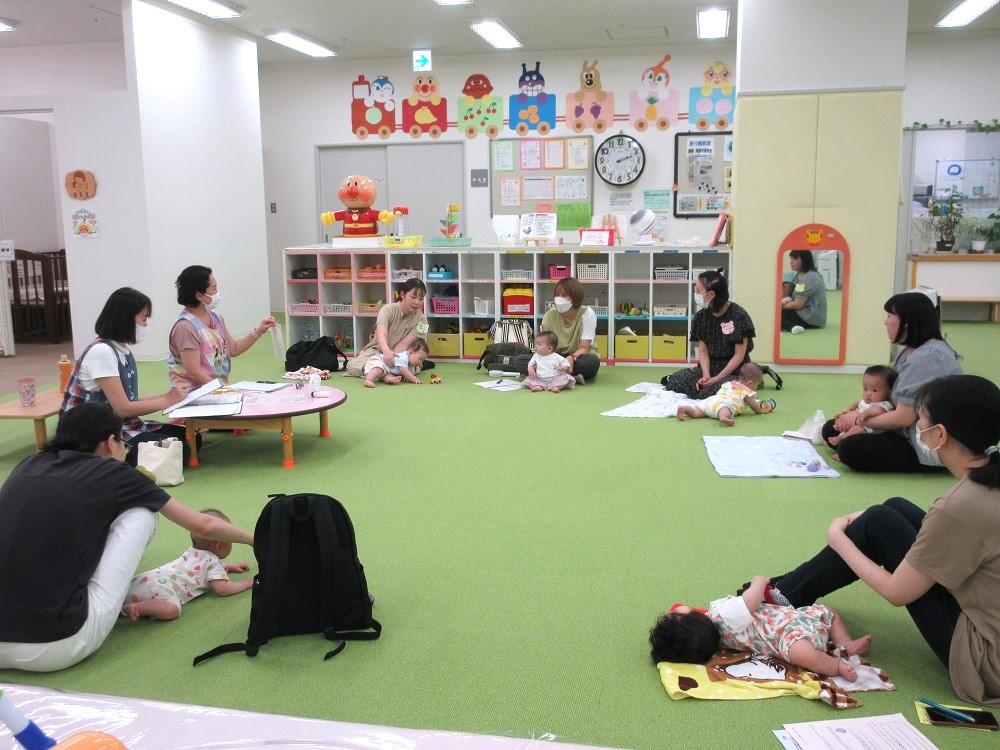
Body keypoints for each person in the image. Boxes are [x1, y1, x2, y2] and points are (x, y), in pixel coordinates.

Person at [752, 375, 1000, 706]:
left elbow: (898, 592)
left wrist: (839, 538)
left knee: (878, 523)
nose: (916, 428)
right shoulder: (983, 484)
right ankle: (786, 591)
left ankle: (782, 596)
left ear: (940, 434)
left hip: (985, 658)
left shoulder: (961, 505)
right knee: (891, 509)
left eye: (920, 422)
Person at [0, 404, 254, 672]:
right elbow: (203, 526)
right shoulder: (116, 474)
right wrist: (254, 539)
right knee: (144, 511)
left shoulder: (27, 465)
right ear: (111, 443)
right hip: (55, 644)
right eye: (124, 442)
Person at [823, 292, 962, 472]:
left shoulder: (928, 358)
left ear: (907, 322)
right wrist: (863, 409)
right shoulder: (910, 351)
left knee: (850, 448)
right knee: (830, 428)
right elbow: (890, 397)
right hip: (905, 430)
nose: (885, 321)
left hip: (926, 442)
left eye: (889, 316)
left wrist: (858, 420)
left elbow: (903, 418)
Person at [61, 287, 190, 467]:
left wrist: (170, 396)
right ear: (126, 319)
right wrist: (168, 399)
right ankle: (104, 461)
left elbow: (129, 401)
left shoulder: (121, 350)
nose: (146, 325)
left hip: (115, 425)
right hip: (90, 434)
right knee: (183, 447)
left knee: (189, 437)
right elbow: (123, 408)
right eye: (144, 318)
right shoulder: (102, 352)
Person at [650, 575, 870, 681]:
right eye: (675, 615)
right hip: (786, 634)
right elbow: (750, 601)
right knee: (803, 649)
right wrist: (758, 582)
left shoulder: (711, 640)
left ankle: (846, 643)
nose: (674, 610)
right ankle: (837, 665)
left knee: (826, 612)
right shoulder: (721, 614)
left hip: (794, 621)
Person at [121, 509, 253, 621]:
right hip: (162, 586)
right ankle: (137, 608)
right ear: (219, 545)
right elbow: (223, 589)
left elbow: (205, 570)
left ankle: (122, 604)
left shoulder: (192, 553)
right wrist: (247, 583)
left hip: (147, 578)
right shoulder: (212, 561)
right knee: (172, 610)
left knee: (124, 596)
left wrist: (230, 567)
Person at [168, 265, 276, 388]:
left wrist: (259, 331)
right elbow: (193, 372)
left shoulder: (215, 317)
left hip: (216, 388)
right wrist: (225, 388)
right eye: (214, 288)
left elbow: (234, 348)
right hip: (193, 393)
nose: (217, 293)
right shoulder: (185, 327)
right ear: (199, 295)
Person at [660, 270, 756, 398]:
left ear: (711, 294)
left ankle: (715, 388)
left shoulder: (738, 315)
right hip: (709, 366)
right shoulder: (701, 317)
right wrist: (706, 375)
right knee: (677, 382)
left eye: (698, 291)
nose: (696, 294)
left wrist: (717, 378)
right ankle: (706, 386)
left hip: (733, 370)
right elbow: (703, 352)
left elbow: (739, 355)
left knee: (725, 388)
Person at [513, 277, 601, 383]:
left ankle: (550, 375)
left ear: (575, 297)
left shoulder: (587, 314)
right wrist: (546, 361)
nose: (559, 298)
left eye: (564, 295)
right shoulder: (549, 316)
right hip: (555, 357)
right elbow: (545, 347)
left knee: (592, 362)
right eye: (557, 294)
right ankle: (569, 376)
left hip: (578, 356)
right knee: (519, 360)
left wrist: (572, 358)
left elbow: (584, 348)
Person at [345, 278, 432, 378]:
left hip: (404, 356)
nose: (417, 302)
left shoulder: (422, 320)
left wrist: (393, 359)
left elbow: (404, 344)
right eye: (413, 297)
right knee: (353, 366)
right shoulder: (387, 309)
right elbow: (382, 334)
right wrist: (386, 352)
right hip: (378, 350)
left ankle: (380, 372)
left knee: (411, 368)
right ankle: (386, 374)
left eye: (421, 299)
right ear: (402, 295)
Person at [676, 362, 773, 426]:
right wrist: (760, 411)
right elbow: (754, 406)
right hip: (722, 404)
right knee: (725, 409)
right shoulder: (746, 392)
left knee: (696, 413)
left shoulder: (729, 383)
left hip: (710, 401)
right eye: (757, 385)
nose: (756, 388)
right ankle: (723, 417)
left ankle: (684, 409)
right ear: (750, 383)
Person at [828, 365, 898, 455]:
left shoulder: (884, 404)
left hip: (873, 432)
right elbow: (858, 403)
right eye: (865, 388)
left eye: (874, 390)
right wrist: (850, 409)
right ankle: (841, 445)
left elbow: (879, 410)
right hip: (862, 424)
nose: (868, 393)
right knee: (840, 426)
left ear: (888, 394)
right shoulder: (867, 402)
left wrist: (866, 413)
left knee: (857, 429)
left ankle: (840, 440)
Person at [780, 250, 828, 333]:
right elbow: (793, 295)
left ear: (804, 259)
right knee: (776, 314)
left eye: (795, 259)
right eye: (791, 258)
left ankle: (791, 326)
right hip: (804, 312)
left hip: (810, 316)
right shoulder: (799, 274)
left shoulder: (810, 277)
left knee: (775, 315)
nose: (791, 262)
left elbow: (798, 304)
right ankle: (793, 326)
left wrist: (778, 307)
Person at [363, 337, 428, 388]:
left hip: (387, 370)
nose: (420, 362)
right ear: (411, 352)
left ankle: (389, 379)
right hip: (379, 361)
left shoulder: (410, 363)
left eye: (422, 360)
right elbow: (405, 371)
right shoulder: (403, 357)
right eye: (420, 359)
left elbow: (407, 373)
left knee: (389, 375)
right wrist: (414, 379)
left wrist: (407, 377)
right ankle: (368, 380)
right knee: (379, 369)